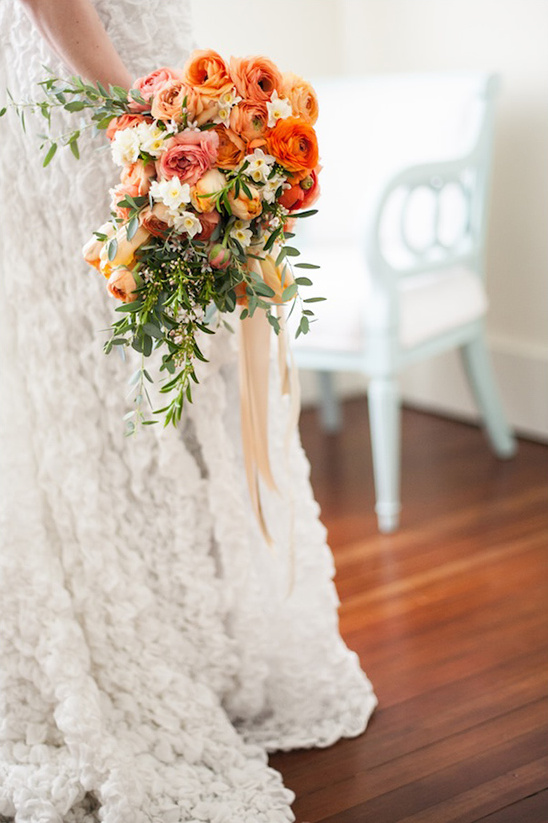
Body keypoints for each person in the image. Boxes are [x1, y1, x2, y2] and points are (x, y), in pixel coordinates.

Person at [0, 1, 376, 820]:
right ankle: (143, 653)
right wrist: (141, 112)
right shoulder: (122, 104)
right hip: (97, 94)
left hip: (143, 79)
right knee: (119, 385)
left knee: (166, 386)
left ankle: (190, 648)